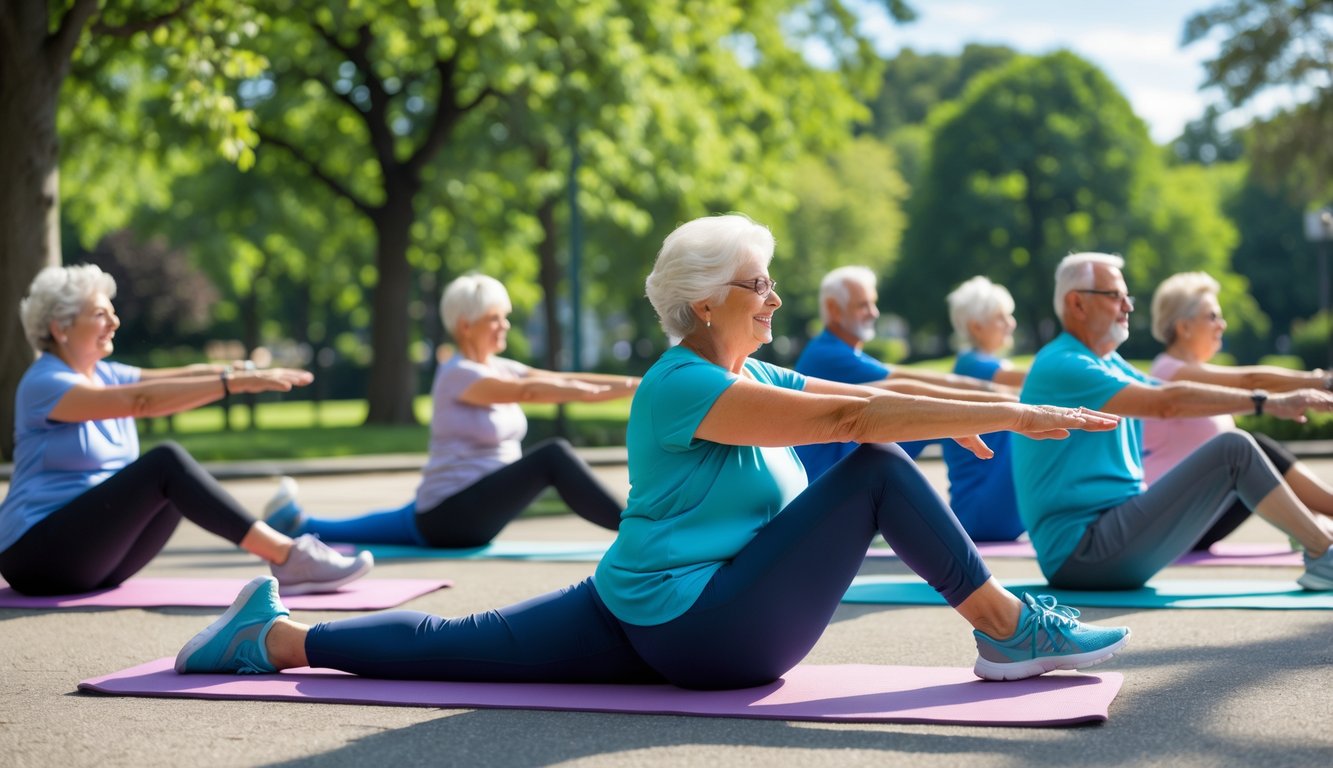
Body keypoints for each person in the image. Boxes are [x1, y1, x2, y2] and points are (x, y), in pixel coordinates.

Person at [177, 213, 1129, 687]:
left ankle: (272, 636)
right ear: (707, 300)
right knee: (875, 471)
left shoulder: (744, 375)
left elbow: (860, 394)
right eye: (757, 285)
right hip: (702, 630)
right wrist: (1003, 420)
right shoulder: (689, 384)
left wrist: (975, 404)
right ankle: (1008, 631)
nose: (774, 299)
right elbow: (852, 430)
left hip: (644, 604)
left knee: (459, 646)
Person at [0, 264, 373, 597]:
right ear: (59, 328)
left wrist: (239, 372)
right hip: (37, 555)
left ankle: (292, 557)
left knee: (175, 482)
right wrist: (233, 385)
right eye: (100, 314)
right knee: (166, 463)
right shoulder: (44, 383)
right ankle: (288, 555)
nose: (114, 323)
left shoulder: (106, 374)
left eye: (113, 313)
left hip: (91, 558)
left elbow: (176, 376)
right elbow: (142, 401)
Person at [1011, 253, 1333, 592]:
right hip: (1083, 553)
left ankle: (1320, 542)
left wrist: (1306, 385)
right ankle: (1323, 552)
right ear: (1076, 303)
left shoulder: (1109, 363)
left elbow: (1207, 388)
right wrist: (1265, 402)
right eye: (1115, 296)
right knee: (1234, 449)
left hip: (1114, 534)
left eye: (1127, 297)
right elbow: (1167, 403)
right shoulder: (1064, 364)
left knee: (1241, 449)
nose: (1127, 306)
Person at [262, 274, 637, 548]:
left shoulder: (498, 365)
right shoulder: (457, 373)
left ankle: (296, 522)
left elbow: (564, 378)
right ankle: (638, 532)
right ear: (465, 325)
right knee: (553, 457)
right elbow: (532, 390)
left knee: (378, 524)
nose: (505, 325)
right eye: (495, 318)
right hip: (454, 515)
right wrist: (589, 392)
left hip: (456, 508)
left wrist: (640, 385)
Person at [1142, 272, 1333, 550]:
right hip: (1170, 522)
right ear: (1184, 327)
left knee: (1251, 452)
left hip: (1195, 514)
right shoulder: (1171, 372)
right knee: (1255, 449)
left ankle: (1315, 524)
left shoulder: (1182, 371)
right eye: (1213, 316)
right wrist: (1319, 381)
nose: (1222, 324)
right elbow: (1250, 382)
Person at [792, 266, 1016, 480]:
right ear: (833, 309)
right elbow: (908, 383)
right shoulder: (830, 355)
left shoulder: (833, 350)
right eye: (863, 305)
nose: (874, 312)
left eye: (873, 303)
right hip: (827, 482)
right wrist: (1010, 400)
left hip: (834, 475)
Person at [941, 276, 1027, 542]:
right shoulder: (973, 366)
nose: (1010, 324)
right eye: (1001, 317)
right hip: (981, 510)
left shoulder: (979, 365)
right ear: (976, 327)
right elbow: (1038, 379)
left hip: (977, 509)